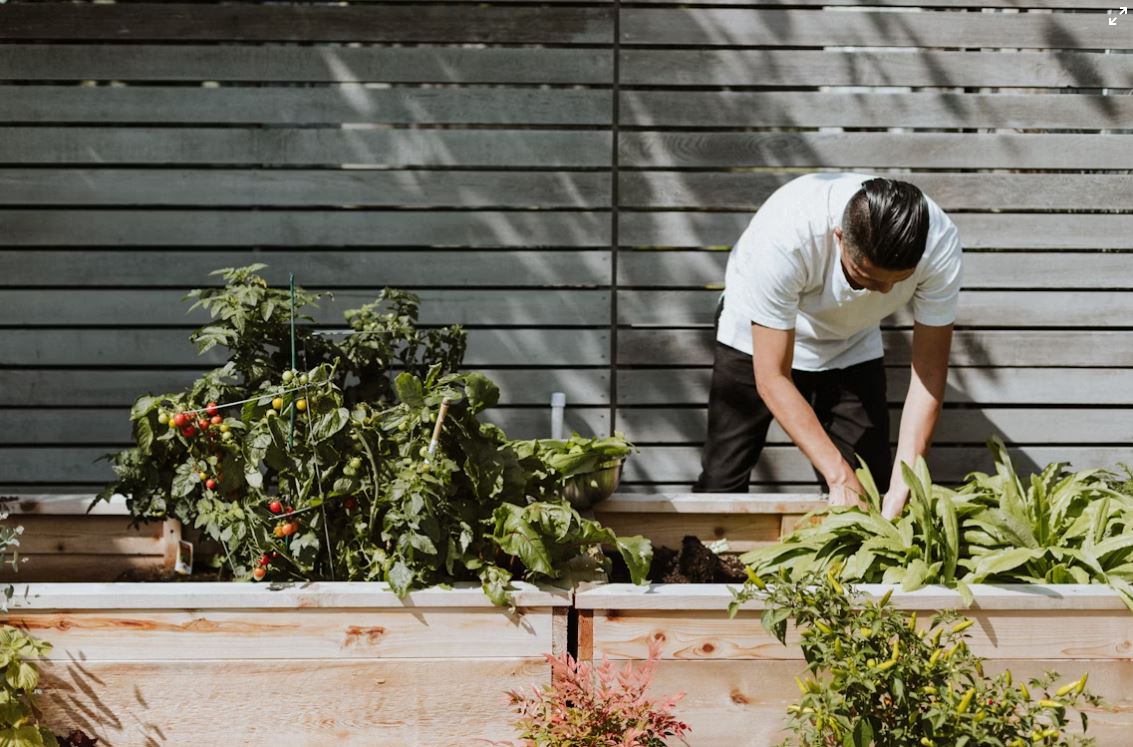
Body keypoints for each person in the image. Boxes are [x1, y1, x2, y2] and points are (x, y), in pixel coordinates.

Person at [693, 173, 963, 519]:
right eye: (865, 277)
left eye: (897, 282)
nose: (882, 292)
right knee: (722, 483)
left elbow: (928, 373)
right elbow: (772, 376)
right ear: (839, 237)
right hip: (754, 337)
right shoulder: (787, 236)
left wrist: (905, 480)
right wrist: (837, 475)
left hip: (850, 342)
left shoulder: (939, 244)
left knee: (870, 488)